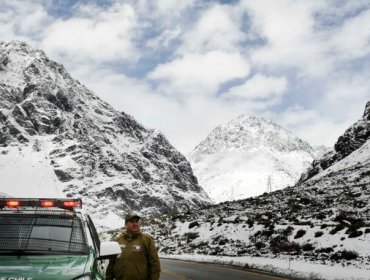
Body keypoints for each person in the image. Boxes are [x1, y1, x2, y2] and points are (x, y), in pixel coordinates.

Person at [105, 213, 161, 280]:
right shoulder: (118, 241)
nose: (135, 224)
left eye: (137, 221)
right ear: (125, 225)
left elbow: (155, 264)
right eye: (131, 221)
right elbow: (112, 263)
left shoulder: (147, 240)